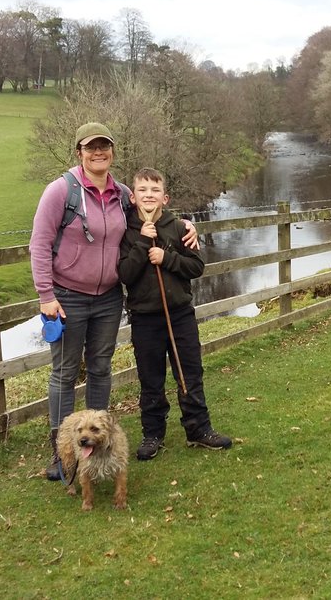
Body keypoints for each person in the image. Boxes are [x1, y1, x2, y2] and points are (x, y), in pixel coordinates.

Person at [29, 123, 197, 481]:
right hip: (68, 296)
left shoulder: (121, 193)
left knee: (101, 369)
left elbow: (149, 212)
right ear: (79, 152)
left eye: (104, 147)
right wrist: (46, 295)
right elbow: (39, 243)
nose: (98, 153)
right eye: (91, 148)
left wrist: (186, 222)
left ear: (112, 152)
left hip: (107, 298)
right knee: (64, 373)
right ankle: (63, 456)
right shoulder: (61, 191)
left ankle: (97, 447)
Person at [118, 167, 232, 461]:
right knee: (150, 378)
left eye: (155, 191)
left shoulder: (179, 228)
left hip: (180, 314)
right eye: (142, 191)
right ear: (133, 197)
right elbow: (125, 274)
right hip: (144, 318)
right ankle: (152, 433)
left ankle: (198, 429)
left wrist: (166, 257)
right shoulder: (126, 231)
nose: (149, 196)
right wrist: (143, 243)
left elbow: (196, 267)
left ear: (165, 198)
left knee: (189, 371)